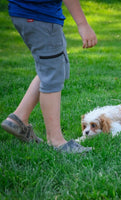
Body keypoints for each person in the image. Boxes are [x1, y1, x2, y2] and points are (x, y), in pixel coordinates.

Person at [1, 0, 97, 153]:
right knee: (52, 75)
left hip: (29, 12)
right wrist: (82, 24)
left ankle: (18, 119)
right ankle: (56, 141)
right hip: (39, 16)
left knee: (55, 69)